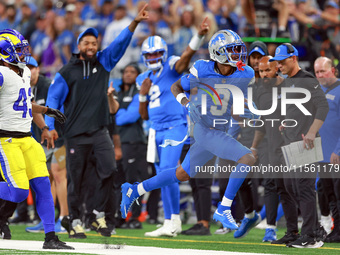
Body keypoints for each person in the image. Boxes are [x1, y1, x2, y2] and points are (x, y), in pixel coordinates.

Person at [121, 29, 257, 232]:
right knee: (247, 158)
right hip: (204, 129)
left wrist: (249, 113)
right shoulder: (202, 69)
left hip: (220, 129)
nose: (238, 54)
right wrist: (185, 103)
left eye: (238, 49)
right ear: (218, 52)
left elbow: (236, 105)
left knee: (181, 174)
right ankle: (224, 207)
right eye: (232, 50)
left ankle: (135, 189)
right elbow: (176, 87)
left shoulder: (246, 73)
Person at [45, 4, 149, 239]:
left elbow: (120, 44)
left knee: (110, 171)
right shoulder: (66, 72)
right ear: (79, 46)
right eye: (86, 43)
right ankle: (74, 220)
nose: (91, 46)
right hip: (75, 134)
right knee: (77, 179)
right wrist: (50, 128)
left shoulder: (104, 61)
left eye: (94, 43)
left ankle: (97, 214)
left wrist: (134, 23)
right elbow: (53, 100)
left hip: (100, 131)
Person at [136, 17, 209, 237]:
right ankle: (170, 221)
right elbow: (143, 114)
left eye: (156, 53)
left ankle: (173, 220)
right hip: (155, 130)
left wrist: (198, 37)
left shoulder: (171, 67)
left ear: (164, 53)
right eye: (149, 55)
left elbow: (184, 59)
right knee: (162, 174)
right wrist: (141, 95)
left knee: (168, 171)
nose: (153, 58)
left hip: (175, 126)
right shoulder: (143, 78)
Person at [0, 29, 72, 249]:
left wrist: (46, 113)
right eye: (18, 50)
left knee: (42, 185)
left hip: (27, 139)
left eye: (23, 50)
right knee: (20, 191)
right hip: (6, 140)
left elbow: (24, 104)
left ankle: (50, 237)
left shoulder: (23, 72)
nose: (23, 54)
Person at [268, 43, 329, 248]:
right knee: (292, 187)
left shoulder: (307, 80)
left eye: (283, 62)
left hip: (306, 143)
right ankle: (314, 229)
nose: (280, 66)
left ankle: (311, 236)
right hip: (291, 142)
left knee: (304, 189)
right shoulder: (287, 82)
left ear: (293, 58)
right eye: (277, 63)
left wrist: (311, 132)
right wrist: (285, 122)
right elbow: (295, 109)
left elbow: (323, 106)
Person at [24, 57, 68, 234]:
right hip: (41, 141)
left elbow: (60, 109)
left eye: (32, 67)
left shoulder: (49, 85)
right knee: (46, 178)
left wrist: (51, 127)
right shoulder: (23, 86)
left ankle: (64, 218)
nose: (30, 71)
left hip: (60, 140)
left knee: (59, 175)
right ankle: (47, 220)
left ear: (38, 69)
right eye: (26, 67)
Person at [251, 56, 289, 242]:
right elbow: (261, 124)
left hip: (292, 146)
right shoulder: (260, 92)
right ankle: (270, 229)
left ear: (277, 68)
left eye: (267, 70)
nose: (264, 75)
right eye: (261, 71)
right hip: (272, 146)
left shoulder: (291, 86)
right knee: (271, 186)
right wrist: (254, 147)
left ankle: (300, 231)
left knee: (295, 188)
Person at [116, 63, 148, 229]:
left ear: (137, 75)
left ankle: (135, 218)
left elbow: (128, 117)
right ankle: (120, 217)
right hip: (117, 143)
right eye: (126, 71)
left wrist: (118, 112)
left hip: (134, 142)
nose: (128, 74)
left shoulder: (139, 93)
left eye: (132, 72)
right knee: (119, 182)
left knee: (134, 182)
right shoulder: (117, 92)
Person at [314, 56, 340, 243]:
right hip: (322, 155)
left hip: (336, 154)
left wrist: (338, 150)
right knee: (328, 192)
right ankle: (335, 228)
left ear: (334, 71)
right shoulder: (318, 92)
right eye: (317, 72)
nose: (320, 75)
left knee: (338, 193)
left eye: (323, 71)